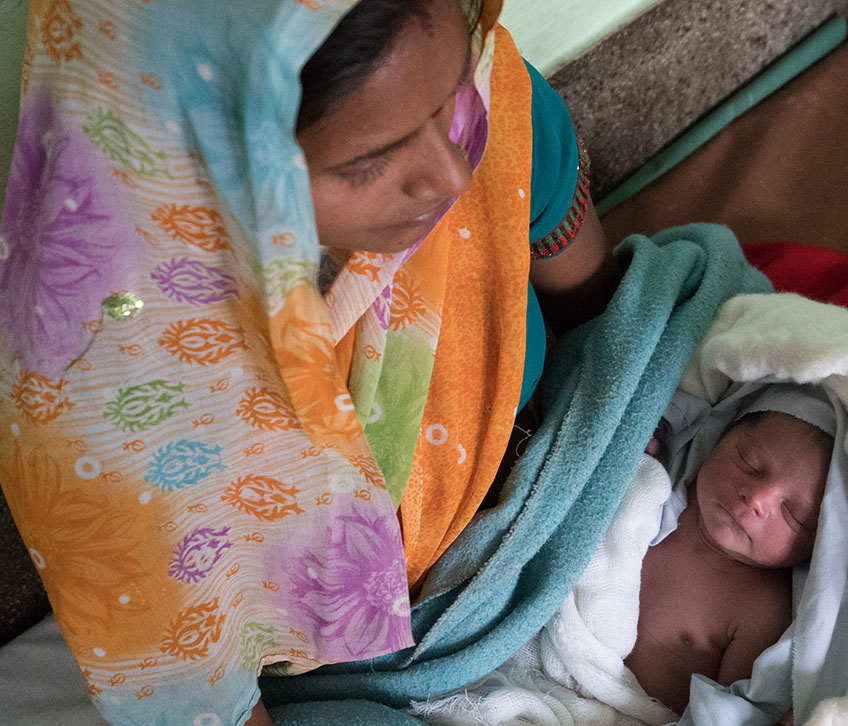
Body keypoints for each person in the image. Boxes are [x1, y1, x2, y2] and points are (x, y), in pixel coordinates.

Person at [0, 1, 617, 724]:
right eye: (369, 163)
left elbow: (608, 328)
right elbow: (214, 703)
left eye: (450, 92)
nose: (451, 173)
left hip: (567, 502)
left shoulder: (489, 105)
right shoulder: (111, 395)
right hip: (362, 668)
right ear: (209, 169)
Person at [626, 386, 835, 715]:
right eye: (749, 464)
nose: (756, 498)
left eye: (793, 515)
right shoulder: (656, 484)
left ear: (814, 550)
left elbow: (729, 714)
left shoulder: (763, 610)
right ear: (719, 438)